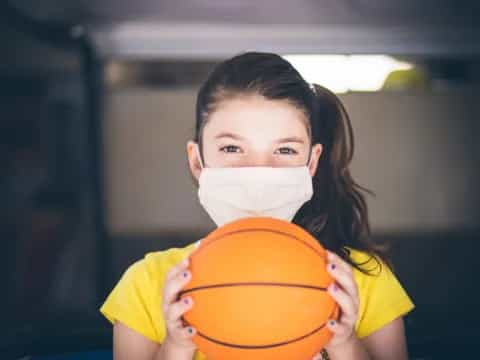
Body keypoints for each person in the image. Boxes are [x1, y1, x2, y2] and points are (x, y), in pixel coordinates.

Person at [100, 52, 415, 360]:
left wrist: (343, 343)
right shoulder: (145, 285)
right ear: (197, 161)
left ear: (311, 163)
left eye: (285, 150)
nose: (258, 169)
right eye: (232, 147)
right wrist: (177, 346)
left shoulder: (365, 281)